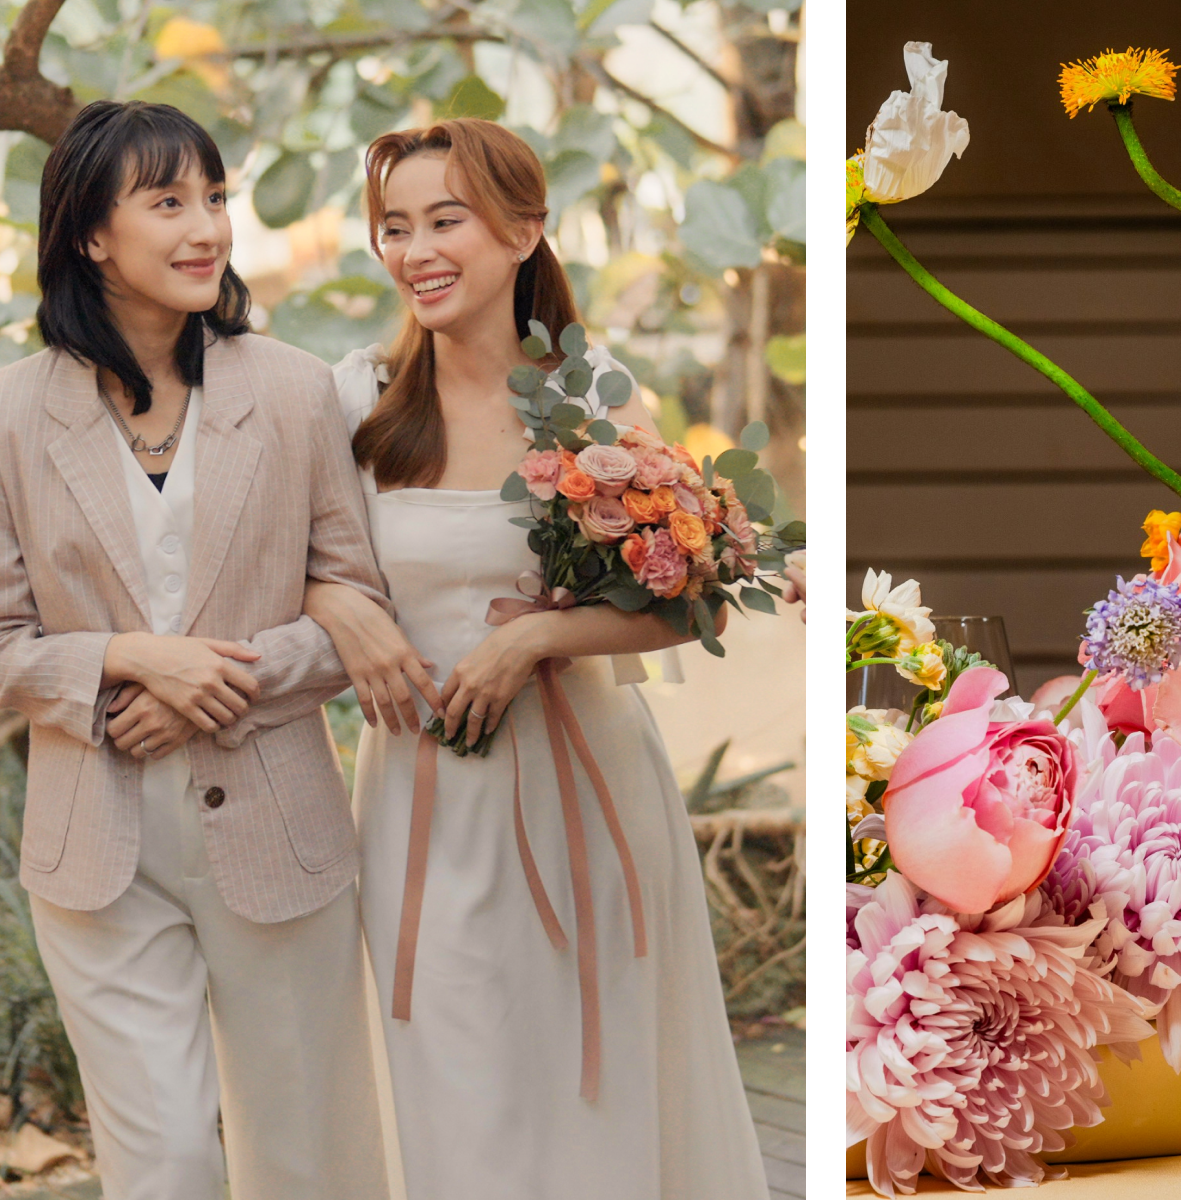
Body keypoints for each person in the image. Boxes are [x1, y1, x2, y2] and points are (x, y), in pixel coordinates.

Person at [303, 117, 770, 1198]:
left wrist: (541, 638)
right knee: (454, 1084)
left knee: (592, 1087)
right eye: (395, 227)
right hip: (424, 800)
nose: (415, 250)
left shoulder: (591, 397)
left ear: (523, 231)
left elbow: (692, 605)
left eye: (445, 221)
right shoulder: (355, 398)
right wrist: (340, 602)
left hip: (587, 798)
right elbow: (283, 564)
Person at [0, 101, 389, 1200]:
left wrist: (216, 687)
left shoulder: (293, 392)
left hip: (279, 825)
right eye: (169, 202)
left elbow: (354, 608)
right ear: (91, 235)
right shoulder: (5, 412)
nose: (207, 228)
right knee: (168, 1163)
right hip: (96, 845)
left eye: (215, 199)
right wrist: (128, 663)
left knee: (309, 1155)